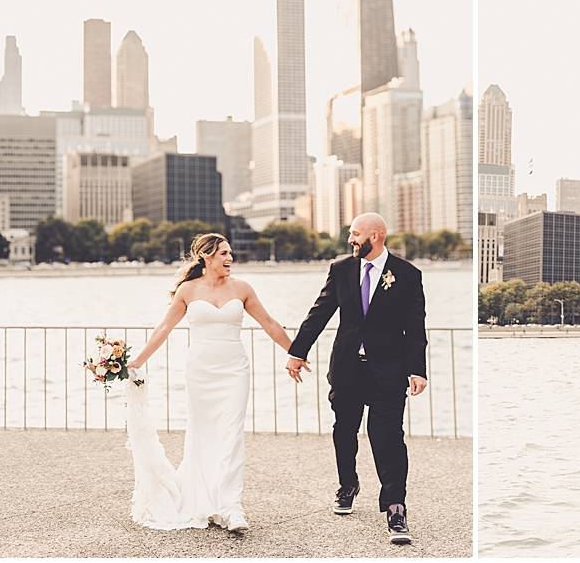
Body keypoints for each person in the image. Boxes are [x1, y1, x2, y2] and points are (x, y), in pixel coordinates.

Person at [124, 233, 292, 531]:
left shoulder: (242, 288)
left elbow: (268, 323)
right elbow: (164, 327)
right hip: (200, 371)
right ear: (207, 257)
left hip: (235, 370)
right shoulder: (188, 290)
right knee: (202, 434)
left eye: (230, 253)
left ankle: (232, 507)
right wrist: (137, 360)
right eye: (224, 253)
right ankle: (204, 500)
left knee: (232, 434)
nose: (230, 259)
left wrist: (296, 352)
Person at [285, 212, 428, 545]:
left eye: (354, 234)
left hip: (388, 372)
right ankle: (347, 485)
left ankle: (395, 508)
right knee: (344, 430)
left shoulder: (407, 274)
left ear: (375, 235)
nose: (350, 239)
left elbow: (415, 327)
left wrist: (417, 369)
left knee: (388, 438)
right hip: (348, 368)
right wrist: (297, 352)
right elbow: (319, 312)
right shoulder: (341, 269)